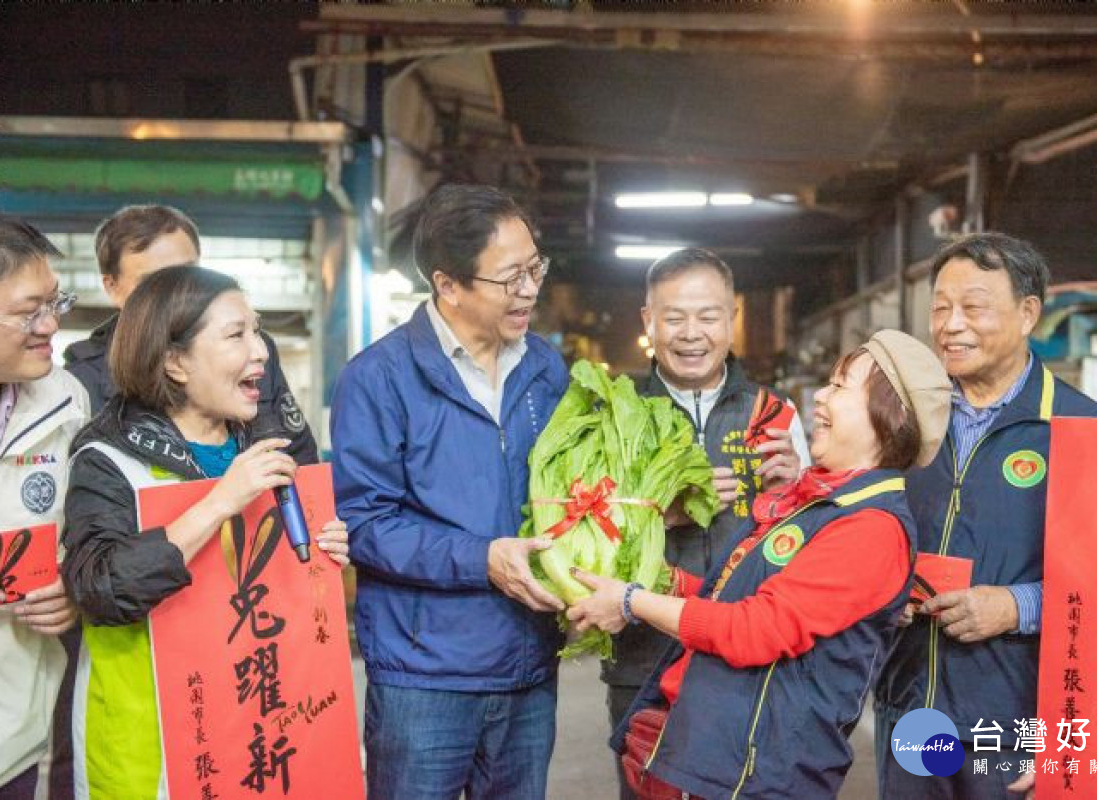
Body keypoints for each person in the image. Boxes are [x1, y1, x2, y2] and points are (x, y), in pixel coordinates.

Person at [568, 329, 951, 799]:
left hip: (760, 771)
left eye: (839, 387)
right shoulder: (820, 500)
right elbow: (741, 595)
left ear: (889, 417)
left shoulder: (872, 528)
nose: (820, 400)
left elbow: (755, 629)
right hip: (723, 756)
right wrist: (668, 583)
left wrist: (632, 602)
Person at [61, 265, 349, 799]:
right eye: (237, 334)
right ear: (174, 360)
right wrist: (218, 503)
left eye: (258, 330)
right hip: (153, 762)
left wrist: (326, 548)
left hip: (252, 736)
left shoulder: (263, 442)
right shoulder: (107, 459)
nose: (261, 351)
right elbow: (97, 588)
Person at [330, 184, 570, 800]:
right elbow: (364, 522)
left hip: (529, 669)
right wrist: (483, 558)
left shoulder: (546, 369)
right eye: (510, 277)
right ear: (449, 284)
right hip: (424, 677)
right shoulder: (379, 378)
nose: (529, 290)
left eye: (535, 268)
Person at [874, 232, 1097, 800]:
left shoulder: (1088, 430)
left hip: (1015, 723)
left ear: (1028, 312)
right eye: (940, 308)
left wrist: (1016, 606)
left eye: (973, 307)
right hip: (911, 709)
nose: (951, 325)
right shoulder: (900, 424)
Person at [602, 247, 811, 798]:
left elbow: (813, 550)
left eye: (708, 316)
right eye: (674, 317)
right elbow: (583, 537)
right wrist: (658, 515)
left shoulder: (776, 414)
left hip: (751, 665)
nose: (691, 333)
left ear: (732, 315)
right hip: (643, 665)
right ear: (648, 320)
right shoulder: (612, 414)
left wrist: (795, 492)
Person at [63, 204, 316, 463]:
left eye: (190, 273)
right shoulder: (79, 384)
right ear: (112, 286)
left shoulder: (252, 350)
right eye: (154, 282)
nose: (179, 292)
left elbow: (298, 454)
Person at [0, 218, 87, 800]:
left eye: (54, 303)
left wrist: (74, 586)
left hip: (14, 736)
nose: (51, 326)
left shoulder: (66, 399)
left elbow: (80, 534)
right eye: (30, 311)